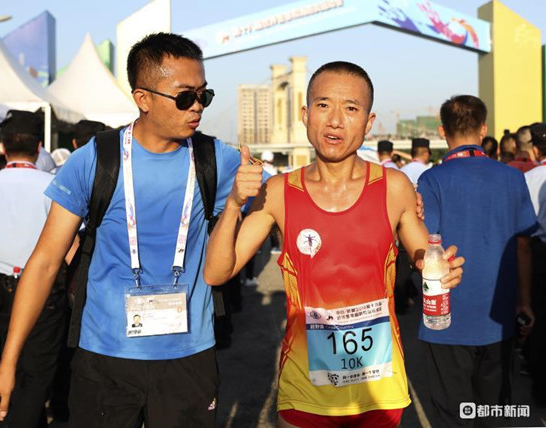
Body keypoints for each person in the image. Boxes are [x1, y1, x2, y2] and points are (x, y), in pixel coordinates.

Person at [0, 33, 243, 428]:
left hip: (189, 357)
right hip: (104, 359)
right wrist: (8, 363)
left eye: (204, 95)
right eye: (185, 97)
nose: (197, 107)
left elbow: (287, 198)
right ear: (143, 98)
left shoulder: (218, 159)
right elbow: (45, 262)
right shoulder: (94, 160)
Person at [203, 61, 464, 427]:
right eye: (324, 105)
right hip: (305, 389)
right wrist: (233, 204)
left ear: (369, 123)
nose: (336, 121)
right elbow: (217, 273)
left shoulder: (394, 188)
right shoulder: (277, 192)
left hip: (379, 388)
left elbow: (426, 259)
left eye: (351, 108)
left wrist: (442, 271)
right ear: (306, 115)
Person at [417, 95, 537, 427]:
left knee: (451, 415)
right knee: (494, 411)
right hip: (498, 315)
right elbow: (524, 245)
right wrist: (525, 302)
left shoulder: (432, 180)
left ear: (442, 131)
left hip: (445, 316)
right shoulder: (512, 178)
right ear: (483, 129)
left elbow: (425, 246)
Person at [0, 110, 68, 428]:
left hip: (2, 288)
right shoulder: (54, 184)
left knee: (11, 361)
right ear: (39, 147)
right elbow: (71, 243)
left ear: (4, 148)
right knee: (37, 371)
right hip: (47, 290)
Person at [523, 122, 546, 407]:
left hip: (539, 253)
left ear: (536, 150)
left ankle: (540, 388)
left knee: (540, 320)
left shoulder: (530, 178)